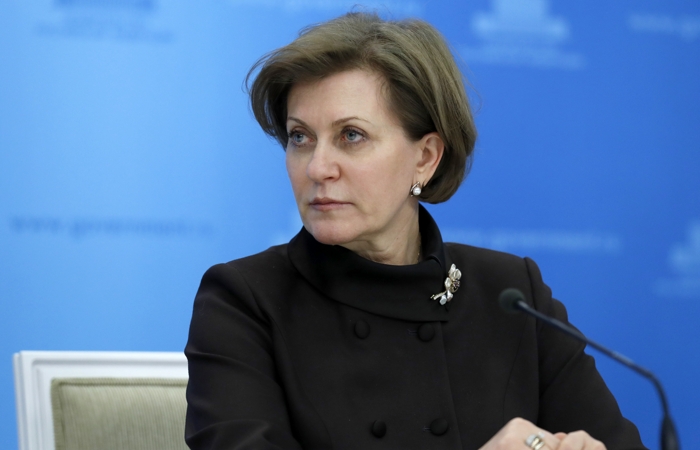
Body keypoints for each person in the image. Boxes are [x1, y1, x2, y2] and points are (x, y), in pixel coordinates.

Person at [184, 12, 647, 450]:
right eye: (300, 137)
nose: (317, 167)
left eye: (351, 136)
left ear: (425, 158)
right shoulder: (244, 301)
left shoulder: (512, 295)